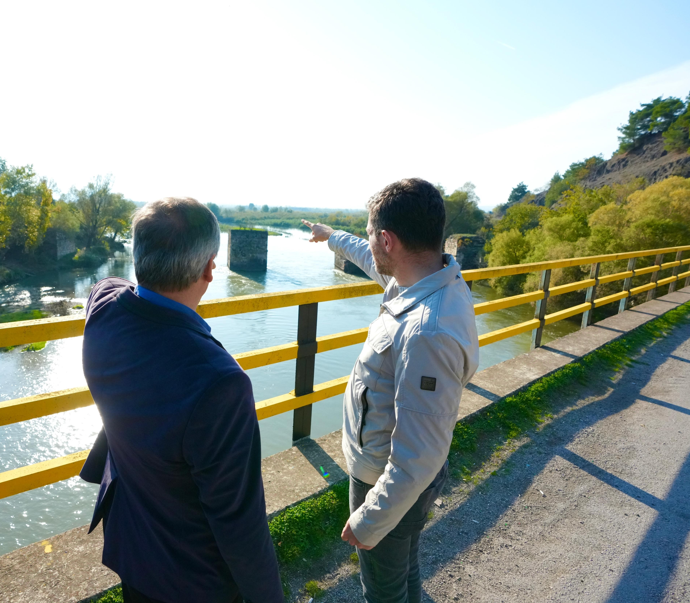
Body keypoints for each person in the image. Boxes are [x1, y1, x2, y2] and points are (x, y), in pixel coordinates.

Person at [81, 197, 284, 603]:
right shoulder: (218, 383)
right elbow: (238, 521)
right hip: (193, 580)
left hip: (131, 547)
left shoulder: (102, 309)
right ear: (211, 268)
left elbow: (115, 286)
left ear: (138, 256)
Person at [302, 178, 478, 603]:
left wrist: (369, 520)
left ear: (389, 240)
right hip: (393, 474)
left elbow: (419, 456)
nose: (369, 245)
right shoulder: (425, 280)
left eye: (370, 235)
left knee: (382, 591)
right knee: (405, 570)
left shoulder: (426, 332)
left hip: (385, 479)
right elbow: (369, 256)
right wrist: (333, 238)